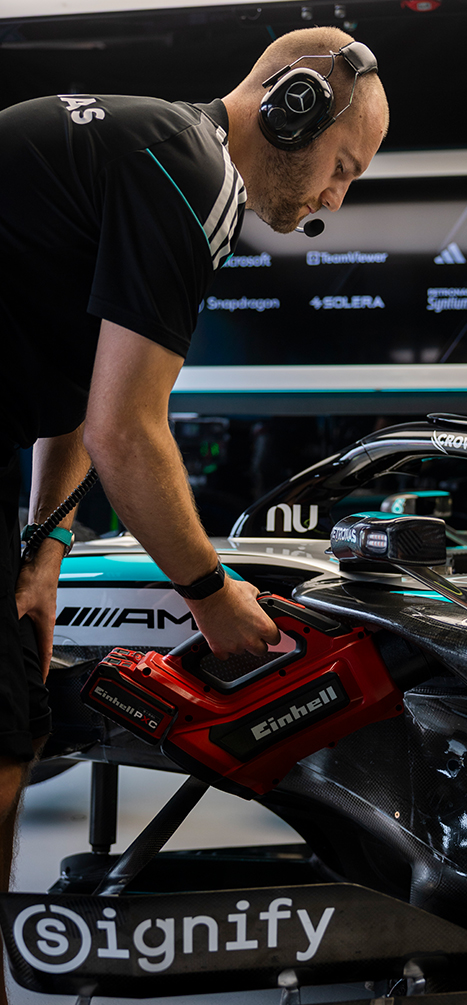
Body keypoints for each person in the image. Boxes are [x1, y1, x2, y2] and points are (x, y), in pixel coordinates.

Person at [0, 24, 388, 1000]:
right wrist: (212, 597)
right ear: (292, 108)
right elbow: (129, 435)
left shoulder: (158, 159)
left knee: (10, 718)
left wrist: (46, 549)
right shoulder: (189, 169)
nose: (331, 204)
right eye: (342, 169)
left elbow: (83, 409)